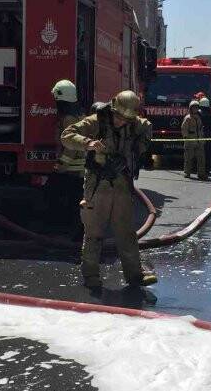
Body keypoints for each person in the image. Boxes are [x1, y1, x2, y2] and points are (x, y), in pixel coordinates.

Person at [61, 90, 157, 289]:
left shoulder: (133, 123)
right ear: (113, 109)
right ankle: (91, 277)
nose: (122, 122)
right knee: (94, 232)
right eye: (119, 117)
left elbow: (147, 128)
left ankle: (134, 275)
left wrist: (139, 147)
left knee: (126, 232)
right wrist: (89, 144)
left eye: (127, 119)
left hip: (122, 182)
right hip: (98, 183)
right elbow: (67, 136)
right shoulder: (96, 121)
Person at [48, 79, 85, 227]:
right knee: (74, 202)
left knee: (70, 202)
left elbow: (72, 146)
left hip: (72, 171)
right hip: (79, 171)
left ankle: (75, 233)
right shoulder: (79, 115)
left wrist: (61, 164)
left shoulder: (69, 119)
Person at [181, 100, 207, 180]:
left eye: (196, 107)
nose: (195, 109)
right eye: (194, 108)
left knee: (201, 159)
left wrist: (203, 139)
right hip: (190, 141)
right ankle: (187, 173)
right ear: (190, 108)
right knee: (188, 158)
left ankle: (201, 174)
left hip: (199, 141)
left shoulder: (199, 117)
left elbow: (200, 128)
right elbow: (184, 128)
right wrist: (186, 138)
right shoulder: (188, 118)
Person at [198, 97, 211, 173]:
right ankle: (207, 168)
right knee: (208, 152)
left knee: (200, 152)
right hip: (209, 135)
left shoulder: (198, 113)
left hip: (200, 135)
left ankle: (200, 169)